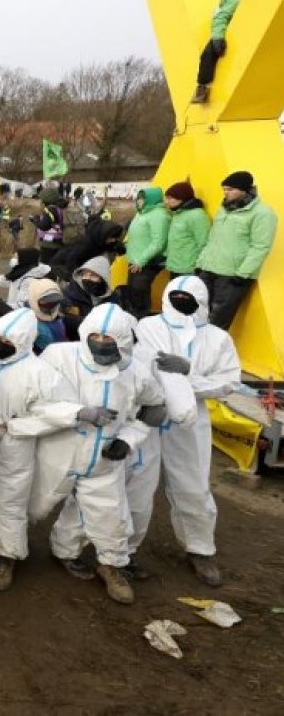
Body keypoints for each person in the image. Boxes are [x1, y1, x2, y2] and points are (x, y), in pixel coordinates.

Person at [39, 304, 164, 604]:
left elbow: (154, 408)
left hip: (104, 458)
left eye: (109, 338)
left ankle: (111, 565)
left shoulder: (135, 372)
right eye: (95, 335)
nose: (101, 342)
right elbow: (36, 398)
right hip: (61, 450)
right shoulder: (59, 357)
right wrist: (77, 413)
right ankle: (37, 552)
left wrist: (128, 439)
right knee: (32, 505)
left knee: (109, 514)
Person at [132, 277, 241, 586]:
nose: (181, 301)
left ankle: (200, 549)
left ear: (202, 301)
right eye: (175, 295)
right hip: (149, 416)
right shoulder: (149, 327)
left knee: (193, 484)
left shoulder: (217, 338)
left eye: (188, 297)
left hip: (192, 421)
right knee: (137, 484)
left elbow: (229, 381)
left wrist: (188, 373)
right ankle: (122, 552)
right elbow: (142, 366)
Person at [0, 308, 80, 591]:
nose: (0, 345)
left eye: (8, 342)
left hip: (16, 442)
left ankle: (6, 555)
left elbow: (57, 410)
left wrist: (20, 427)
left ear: (23, 343)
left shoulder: (39, 373)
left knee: (11, 496)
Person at [195, 170, 278, 329]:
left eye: (230, 189)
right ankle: (195, 351)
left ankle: (213, 352)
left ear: (245, 190)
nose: (226, 193)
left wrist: (243, 274)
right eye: (224, 189)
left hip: (232, 275)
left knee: (218, 320)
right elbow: (213, 239)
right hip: (209, 269)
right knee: (198, 313)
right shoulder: (224, 209)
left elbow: (260, 246)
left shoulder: (263, 214)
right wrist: (201, 263)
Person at [192, 0, 261, 104]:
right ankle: (202, 87)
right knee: (209, 53)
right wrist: (218, 37)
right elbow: (221, 15)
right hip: (230, 31)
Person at [124, 187, 170, 318]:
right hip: (135, 260)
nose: (139, 201)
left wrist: (141, 261)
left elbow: (158, 242)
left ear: (152, 199)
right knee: (133, 292)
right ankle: (134, 319)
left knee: (140, 293)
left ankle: (142, 321)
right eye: (138, 197)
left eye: (143, 198)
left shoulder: (159, 215)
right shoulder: (142, 213)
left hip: (146, 262)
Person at [62, 256, 128, 341]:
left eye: (93, 275)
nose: (87, 278)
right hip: (75, 341)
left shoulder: (113, 299)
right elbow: (68, 319)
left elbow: (118, 322)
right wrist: (98, 325)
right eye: (84, 274)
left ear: (103, 278)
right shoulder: (70, 293)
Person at [164, 181, 210, 278]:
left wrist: (199, 267)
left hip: (189, 269)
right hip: (175, 266)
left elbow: (204, 243)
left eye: (170, 198)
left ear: (182, 197)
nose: (167, 202)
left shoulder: (197, 215)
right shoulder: (178, 213)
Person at [27, 278, 68, 354]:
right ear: (34, 299)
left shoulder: (60, 314)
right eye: (47, 303)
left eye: (55, 302)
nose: (52, 305)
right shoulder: (27, 322)